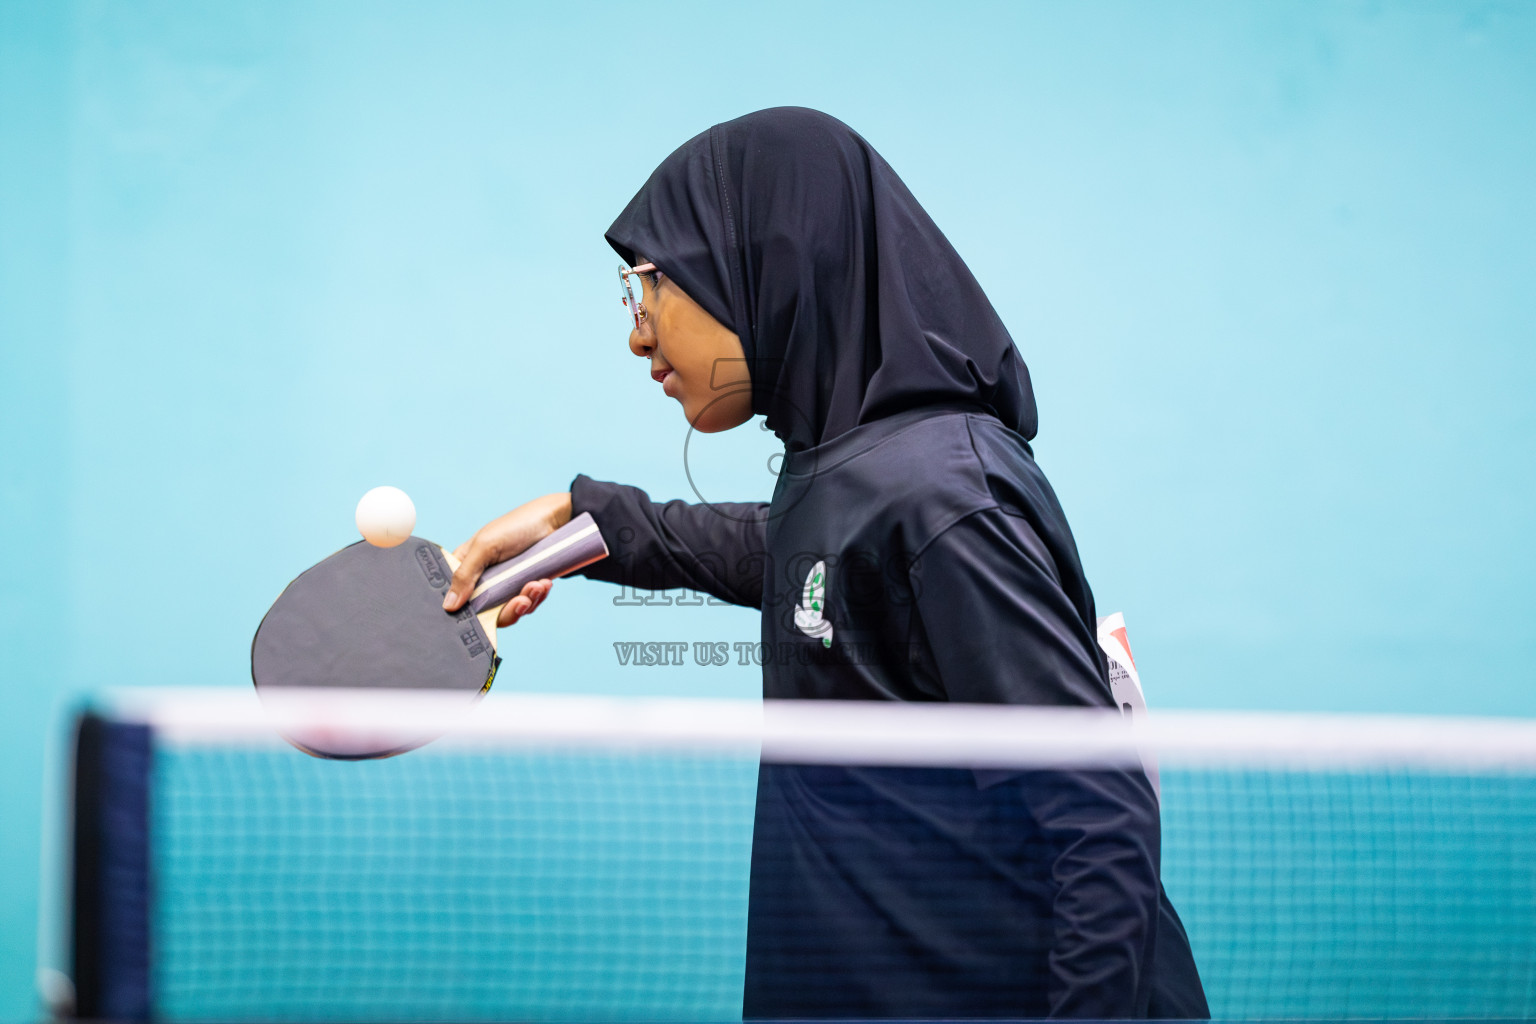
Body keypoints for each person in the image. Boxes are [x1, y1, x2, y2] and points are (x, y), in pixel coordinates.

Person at [443, 107, 1208, 1019]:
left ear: (763, 266)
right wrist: (580, 520)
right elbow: (798, 554)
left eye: (648, 285)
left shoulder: (945, 496)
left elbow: (1102, 826)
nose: (638, 333)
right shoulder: (855, 470)